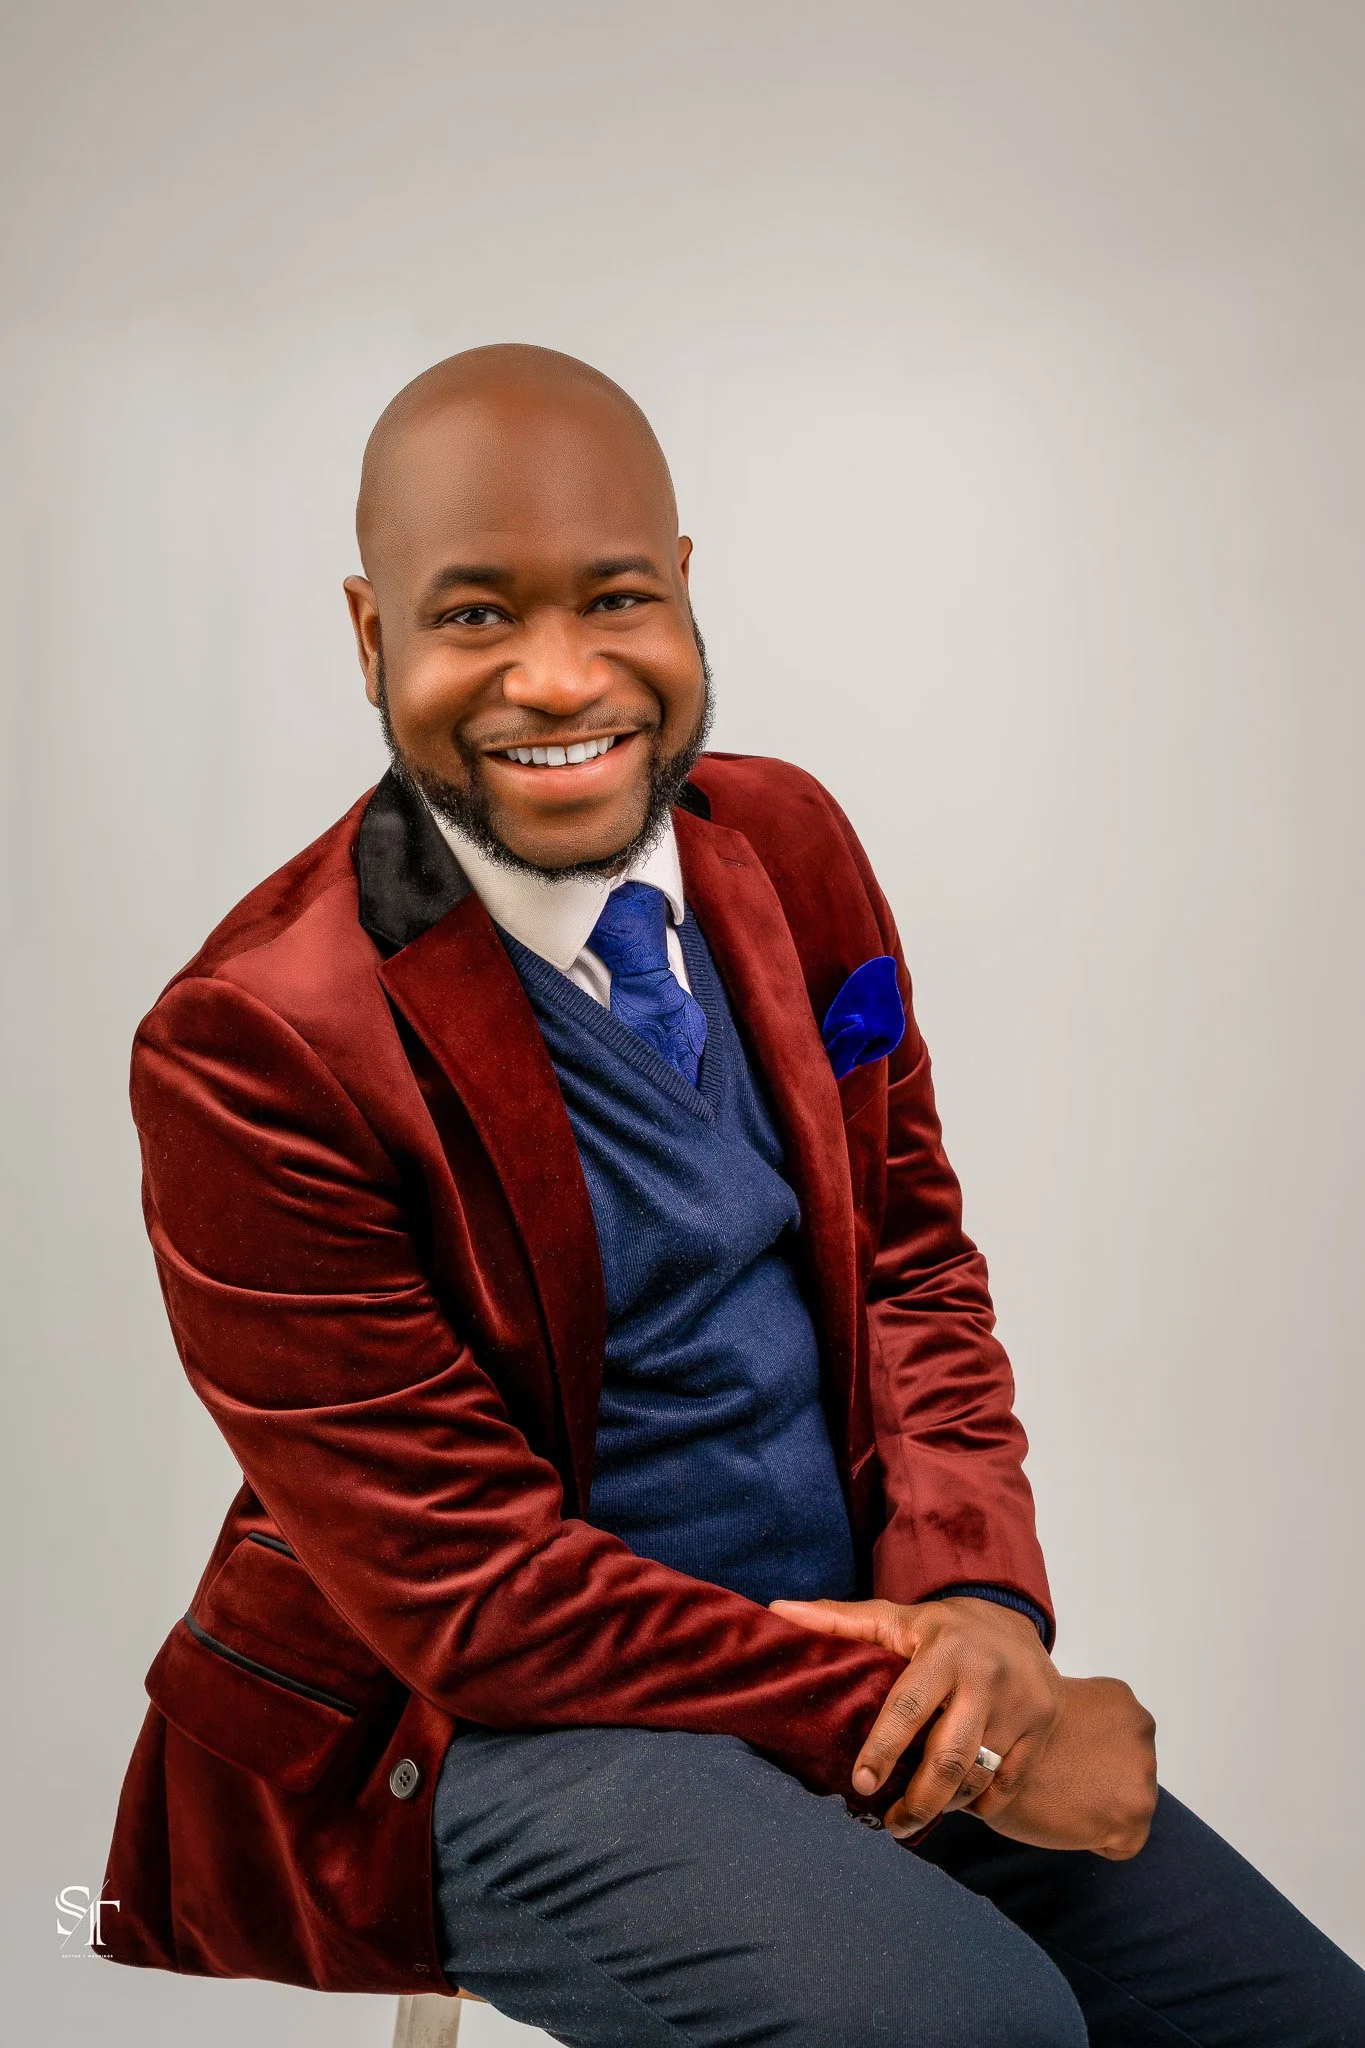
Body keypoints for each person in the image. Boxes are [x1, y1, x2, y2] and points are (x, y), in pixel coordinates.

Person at [100, 345, 1364, 2044]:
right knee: (972, 2028)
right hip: (486, 1731)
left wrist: (982, 1611)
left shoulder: (792, 845)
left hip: (871, 1662)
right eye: (473, 617)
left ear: (684, 593)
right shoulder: (251, 1041)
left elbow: (912, 1259)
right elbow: (477, 1597)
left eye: (613, 598)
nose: (556, 678)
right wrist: (973, 1727)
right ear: (369, 634)